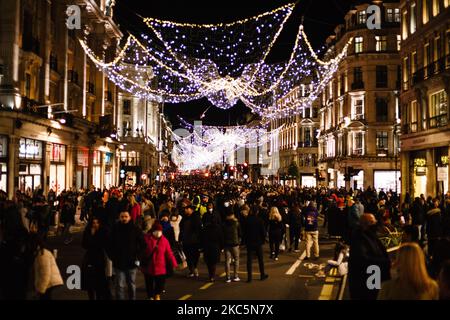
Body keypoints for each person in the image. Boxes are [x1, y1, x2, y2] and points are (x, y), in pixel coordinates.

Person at [348, 214, 391, 300]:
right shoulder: (359, 239)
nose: (375, 223)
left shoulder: (370, 236)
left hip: (373, 279)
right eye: (372, 222)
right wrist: (384, 262)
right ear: (365, 225)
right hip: (365, 283)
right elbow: (363, 260)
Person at [107, 211, 146, 300]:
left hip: (132, 262)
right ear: (119, 218)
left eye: (126, 216)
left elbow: (143, 245)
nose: (124, 218)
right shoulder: (115, 229)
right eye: (122, 216)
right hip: (119, 262)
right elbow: (109, 244)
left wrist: (138, 257)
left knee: (131, 284)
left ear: (130, 217)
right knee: (119, 285)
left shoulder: (136, 229)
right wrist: (112, 257)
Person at [141, 221, 177, 300]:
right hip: (148, 266)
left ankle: (157, 294)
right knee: (149, 283)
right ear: (153, 231)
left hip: (160, 267)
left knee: (160, 284)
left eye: (160, 231)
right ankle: (150, 296)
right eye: (156, 231)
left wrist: (174, 263)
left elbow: (169, 253)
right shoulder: (146, 239)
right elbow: (141, 251)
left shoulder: (164, 241)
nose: (158, 233)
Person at [81, 217, 111, 300]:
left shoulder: (102, 232)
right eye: (93, 223)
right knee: (90, 282)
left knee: (99, 282)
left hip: (99, 259)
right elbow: (85, 245)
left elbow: (102, 244)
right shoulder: (87, 232)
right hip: (89, 259)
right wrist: (91, 235)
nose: (95, 225)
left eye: (97, 223)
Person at [32, 234, 64, 300]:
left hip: (49, 282)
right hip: (49, 282)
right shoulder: (41, 253)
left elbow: (46, 274)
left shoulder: (42, 255)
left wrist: (41, 290)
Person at [243, 206, 269, 282]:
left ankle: (249, 277)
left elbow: (244, 231)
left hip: (249, 241)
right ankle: (262, 274)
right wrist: (263, 239)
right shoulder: (259, 220)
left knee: (249, 260)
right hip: (258, 242)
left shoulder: (247, 220)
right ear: (257, 212)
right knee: (260, 259)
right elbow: (263, 232)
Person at [179, 204, 202, 278]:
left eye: (186, 208)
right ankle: (191, 270)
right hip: (186, 240)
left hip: (194, 241)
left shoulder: (196, 217)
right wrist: (180, 238)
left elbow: (199, 229)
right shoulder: (184, 218)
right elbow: (181, 228)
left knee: (195, 255)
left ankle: (194, 267)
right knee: (188, 256)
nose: (185, 210)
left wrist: (199, 240)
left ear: (191, 209)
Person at [201, 215, 224, 282]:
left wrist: (202, 247)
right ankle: (212, 276)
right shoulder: (218, 228)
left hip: (207, 247)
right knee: (213, 262)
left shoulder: (205, 228)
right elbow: (221, 238)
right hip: (215, 247)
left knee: (209, 262)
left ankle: (210, 275)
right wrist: (222, 247)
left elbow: (203, 238)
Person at [222, 211, 241, 283]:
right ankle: (235, 276)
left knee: (227, 261)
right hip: (235, 244)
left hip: (226, 244)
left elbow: (222, 235)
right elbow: (240, 233)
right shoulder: (236, 223)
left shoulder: (223, 224)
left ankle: (228, 277)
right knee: (236, 260)